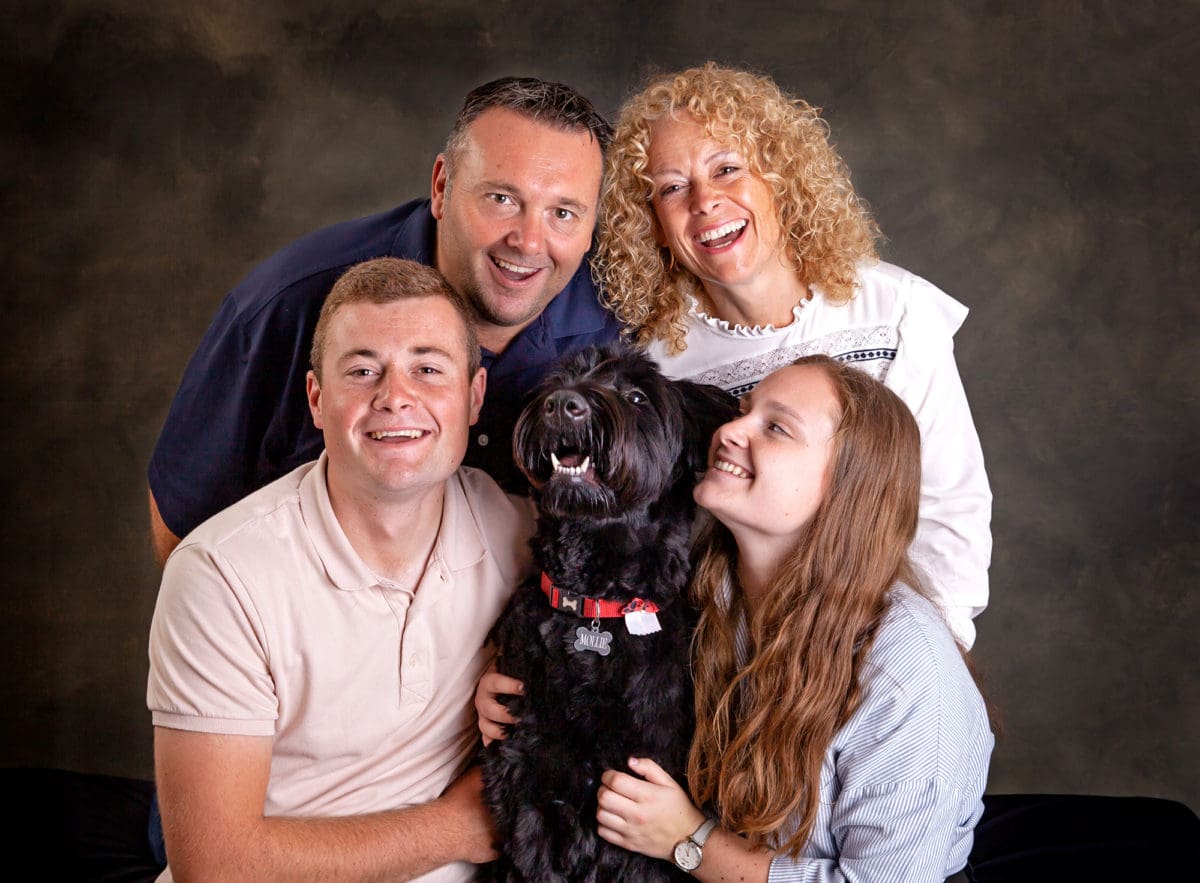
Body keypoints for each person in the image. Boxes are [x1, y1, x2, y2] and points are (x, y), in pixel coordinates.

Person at [482, 355, 993, 881]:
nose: (728, 431)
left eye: (775, 427)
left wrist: (689, 840)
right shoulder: (707, 594)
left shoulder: (909, 669)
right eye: (743, 411)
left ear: (847, 485)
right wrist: (511, 698)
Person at [147, 257, 534, 882]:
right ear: (317, 399)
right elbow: (214, 867)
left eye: (428, 369)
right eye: (362, 371)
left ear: (474, 396)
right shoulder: (221, 575)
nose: (396, 397)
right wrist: (456, 827)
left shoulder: (520, 534)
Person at [147, 76, 621, 565]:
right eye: (502, 199)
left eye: (563, 212)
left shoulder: (620, 325)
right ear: (442, 187)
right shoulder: (287, 304)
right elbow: (185, 533)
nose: (527, 241)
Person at [594, 64, 990, 647]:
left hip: (883, 645)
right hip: (722, 661)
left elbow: (947, 505)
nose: (705, 201)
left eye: (727, 169)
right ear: (651, 223)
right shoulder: (653, 367)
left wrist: (928, 654)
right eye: (672, 187)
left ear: (780, 178)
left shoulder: (894, 310)